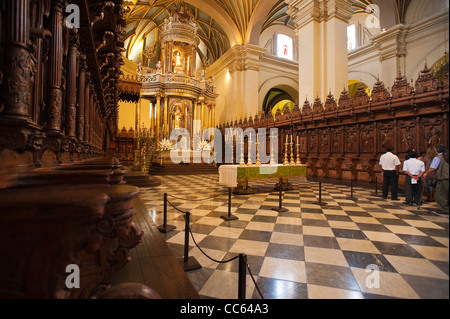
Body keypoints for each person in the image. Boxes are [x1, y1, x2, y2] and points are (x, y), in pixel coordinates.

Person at [423, 144, 449, 214]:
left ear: (437, 150)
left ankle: (444, 209)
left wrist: (426, 173)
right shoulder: (447, 156)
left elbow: (432, 168)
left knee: (441, 194)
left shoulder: (438, 158)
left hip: (442, 178)